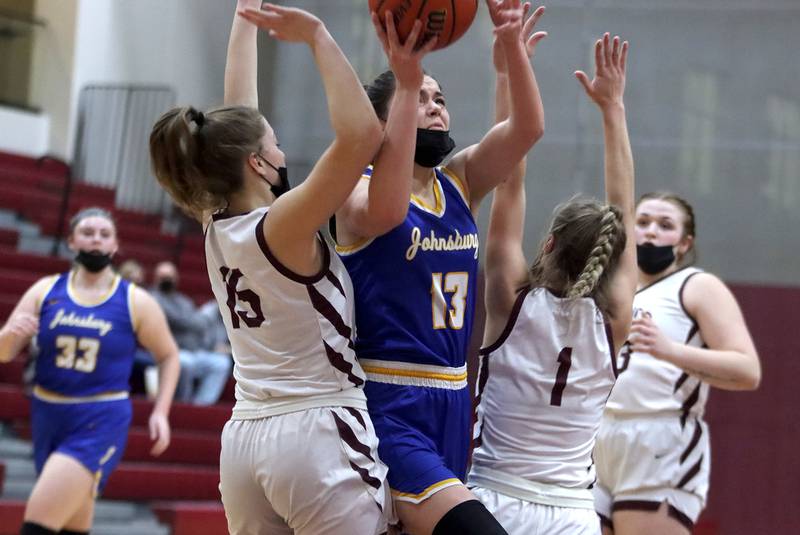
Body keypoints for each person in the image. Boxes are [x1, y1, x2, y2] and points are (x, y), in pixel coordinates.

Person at [149, 2, 391, 533]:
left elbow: (239, 112)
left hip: (244, 440)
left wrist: (245, 16)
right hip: (317, 433)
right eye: (275, 145)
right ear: (258, 163)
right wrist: (320, 38)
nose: (282, 151)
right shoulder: (283, 222)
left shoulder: (215, 221)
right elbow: (361, 137)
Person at [334, 2, 546, 533]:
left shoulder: (460, 181)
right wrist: (406, 83)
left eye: (440, 99)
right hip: (388, 398)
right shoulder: (354, 191)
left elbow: (526, 130)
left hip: (454, 397)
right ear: (383, 122)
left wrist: (512, 49)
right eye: (419, 98)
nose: (435, 108)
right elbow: (384, 210)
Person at [467, 32, 636, 535]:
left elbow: (508, 179)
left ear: (547, 244)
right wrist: (614, 108)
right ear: (611, 256)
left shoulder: (508, 297)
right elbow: (624, 209)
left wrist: (507, 73)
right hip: (572, 515)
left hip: (495, 497)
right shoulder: (615, 320)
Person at [0, 207, 180, 535]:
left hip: (99, 420)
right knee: (71, 524)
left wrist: (161, 411)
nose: (96, 239)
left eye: (104, 234)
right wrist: (11, 334)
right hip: (47, 414)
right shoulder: (45, 291)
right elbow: (4, 352)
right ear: (71, 241)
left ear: (114, 245)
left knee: (38, 523)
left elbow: (169, 356)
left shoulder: (134, 301)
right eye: (87, 232)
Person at [592, 192, 762, 535]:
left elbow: (748, 370)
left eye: (664, 225)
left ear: (684, 243)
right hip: (596, 436)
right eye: (642, 222)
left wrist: (668, 350)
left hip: (662, 437)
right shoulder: (608, 288)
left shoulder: (696, 285)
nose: (651, 232)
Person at [151, 260, 231, 405]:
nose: (167, 280)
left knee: (221, 363)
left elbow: (198, 323)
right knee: (185, 363)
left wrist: (189, 321)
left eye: (170, 277)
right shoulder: (153, 298)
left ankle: (201, 405)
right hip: (169, 353)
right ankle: (183, 404)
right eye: (163, 277)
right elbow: (177, 319)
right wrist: (189, 321)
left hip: (194, 351)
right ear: (156, 278)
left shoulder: (184, 301)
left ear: (176, 279)